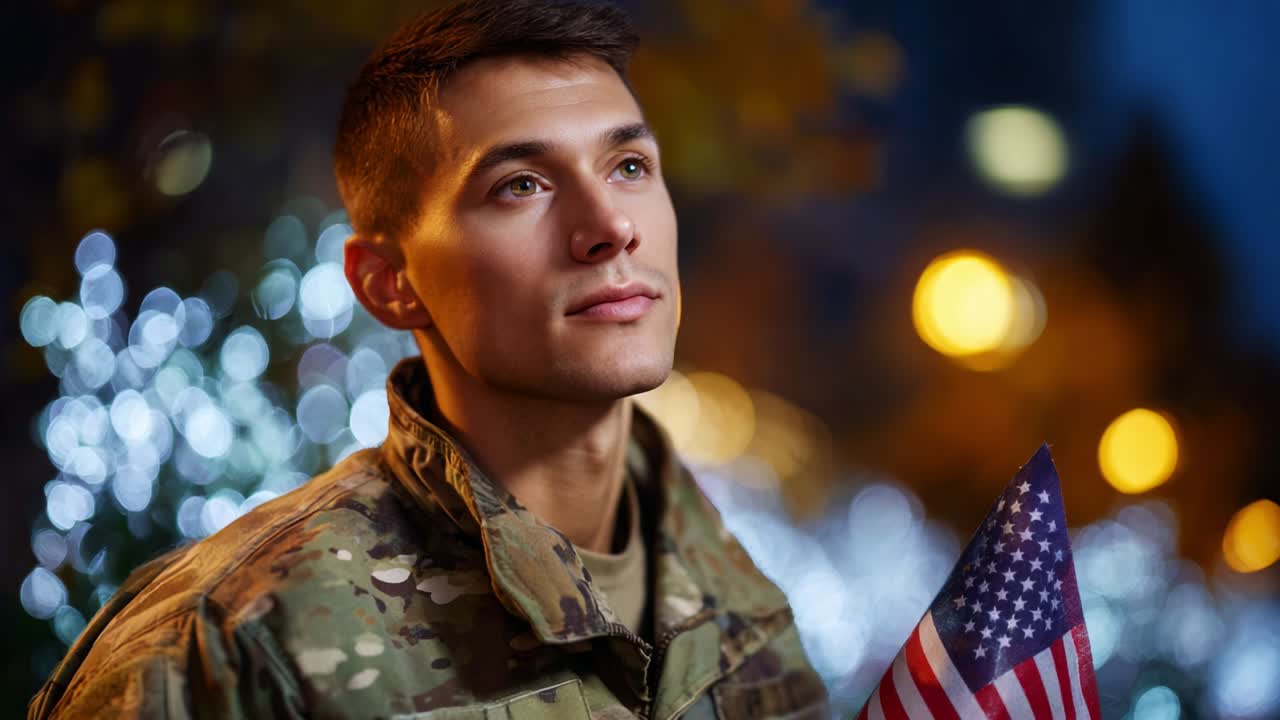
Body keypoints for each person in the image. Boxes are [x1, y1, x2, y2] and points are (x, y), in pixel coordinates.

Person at [29, 1, 829, 717]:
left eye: (628, 166)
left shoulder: (736, 594)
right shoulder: (230, 646)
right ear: (389, 283)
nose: (611, 226)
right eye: (521, 185)